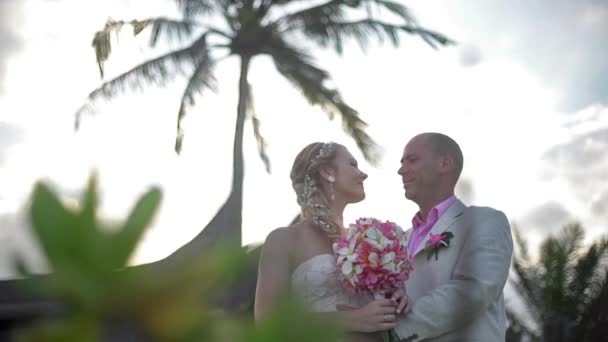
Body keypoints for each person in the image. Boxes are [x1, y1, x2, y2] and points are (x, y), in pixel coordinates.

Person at [254, 142, 406, 341]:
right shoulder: (285, 239)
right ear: (327, 172)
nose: (363, 174)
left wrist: (396, 295)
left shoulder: (365, 240)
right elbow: (268, 322)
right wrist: (354, 319)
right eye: (352, 164)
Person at [394, 132, 513, 341]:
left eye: (412, 160)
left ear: (444, 164)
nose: (401, 170)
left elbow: (472, 291)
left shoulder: (485, 221)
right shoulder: (398, 240)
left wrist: (390, 333)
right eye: (402, 163)